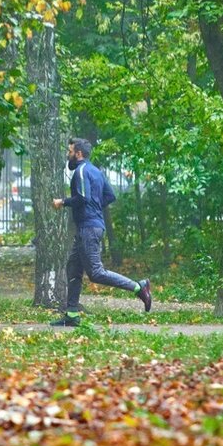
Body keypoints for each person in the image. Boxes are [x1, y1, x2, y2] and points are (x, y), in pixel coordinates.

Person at [50, 137, 151, 326]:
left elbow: (82, 197)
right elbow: (110, 196)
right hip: (90, 226)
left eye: (70, 151)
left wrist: (62, 202)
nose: (68, 155)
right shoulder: (96, 171)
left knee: (96, 272)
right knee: (73, 268)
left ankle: (139, 287)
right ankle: (71, 315)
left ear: (78, 153)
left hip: (88, 228)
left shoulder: (81, 171)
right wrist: (95, 209)